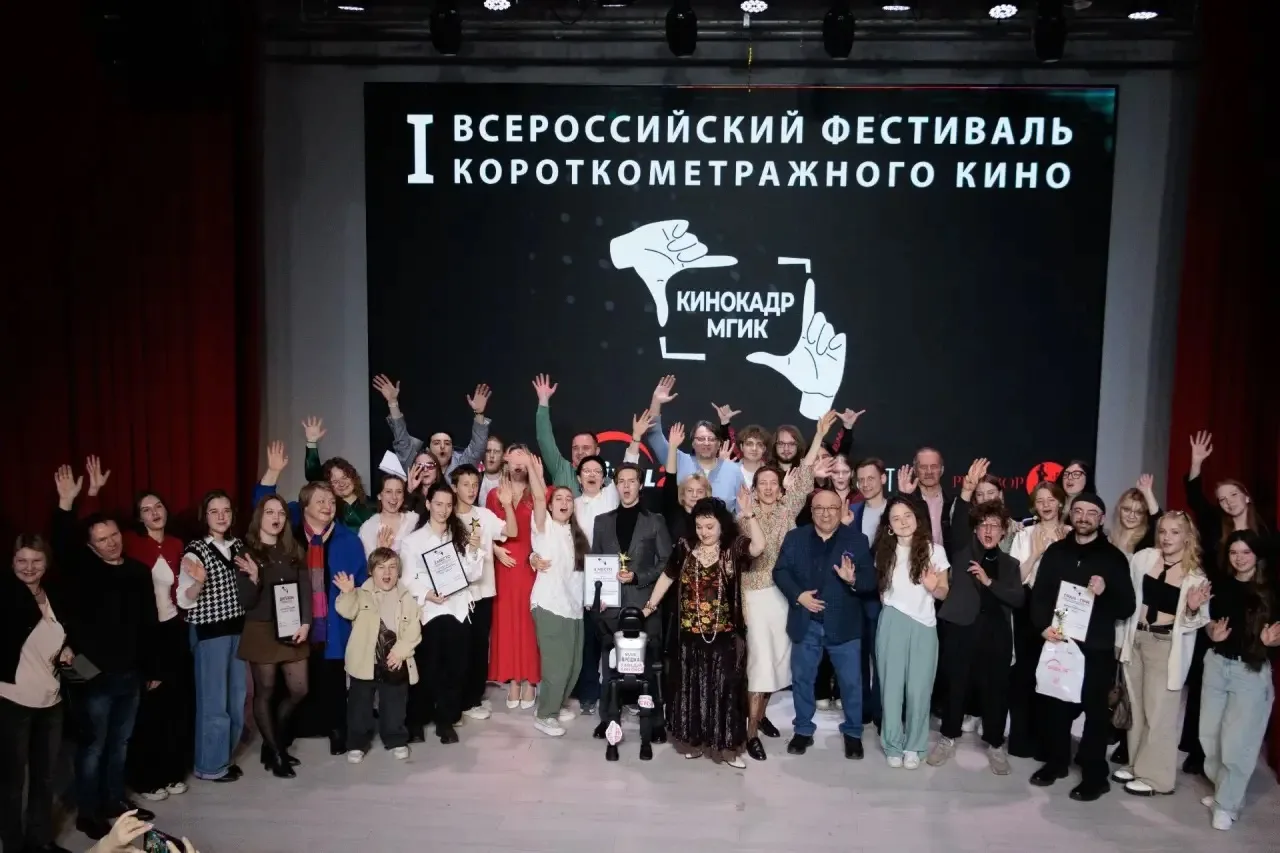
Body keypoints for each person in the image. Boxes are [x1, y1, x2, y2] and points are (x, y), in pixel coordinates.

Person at [52, 464, 160, 839]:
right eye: (102, 539)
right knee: (92, 746)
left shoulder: (138, 572)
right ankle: (88, 812)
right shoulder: (85, 570)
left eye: (114, 535)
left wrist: (152, 668)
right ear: (91, 546)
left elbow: (148, 623)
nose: (111, 542)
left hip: (130, 673)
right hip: (92, 675)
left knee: (120, 743)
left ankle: (114, 801)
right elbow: (62, 544)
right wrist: (67, 504)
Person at [254, 440, 368, 756]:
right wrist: (272, 472)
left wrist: (354, 591)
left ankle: (336, 730)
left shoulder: (349, 540)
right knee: (292, 685)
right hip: (292, 623)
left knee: (332, 681)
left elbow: (363, 582)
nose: (328, 505)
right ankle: (282, 735)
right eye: (320, 500)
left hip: (333, 624)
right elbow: (262, 508)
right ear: (303, 507)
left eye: (331, 501)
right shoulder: (287, 535)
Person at [1029, 492, 1136, 801]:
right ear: (1071, 514)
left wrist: (1105, 591)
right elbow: (1040, 595)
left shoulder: (1113, 558)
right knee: (1056, 707)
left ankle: (1095, 775)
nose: (1084, 517)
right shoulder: (1056, 552)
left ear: (1101, 518)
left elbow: (1127, 607)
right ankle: (1057, 762)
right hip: (1061, 642)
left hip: (1096, 648)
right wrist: (1043, 626)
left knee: (1096, 714)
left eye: (1091, 512)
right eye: (1078, 511)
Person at [1181, 430, 1271, 775]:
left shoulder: (1265, 534)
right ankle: (1198, 751)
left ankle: (1232, 758)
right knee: (1205, 680)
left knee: (1244, 684)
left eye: (1233, 495)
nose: (1229, 502)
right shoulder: (1215, 525)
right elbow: (1194, 497)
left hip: (1253, 613)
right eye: (1222, 499)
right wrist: (1196, 463)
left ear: (1246, 496)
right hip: (1217, 608)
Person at [641, 498, 754, 767]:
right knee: (691, 690)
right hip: (689, 633)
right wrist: (650, 605)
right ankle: (694, 742)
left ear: (722, 525)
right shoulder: (684, 546)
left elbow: (758, 547)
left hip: (724, 634)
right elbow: (668, 576)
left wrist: (749, 516)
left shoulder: (732, 547)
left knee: (724, 691)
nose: (704, 532)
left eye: (710, 526)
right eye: (699, 526)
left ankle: (726, 748)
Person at [930, 459, 1025, 775]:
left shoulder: (1010, 564)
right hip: (961, 630)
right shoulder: (963, 551)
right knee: (955, 686)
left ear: (1003, 530)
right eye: (983, 525)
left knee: (996, 691)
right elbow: (959, 521)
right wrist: (967, 490)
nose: (988, 530)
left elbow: (1017, 598)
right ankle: (948, 738)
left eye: (995, 525)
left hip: (996, 634)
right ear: (975, 528)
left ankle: (996, 744)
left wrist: (989, 582)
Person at [774, 487, 877, 760]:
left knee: (851, 684)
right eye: (819, 508)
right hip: (806, 622)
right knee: (802, 680)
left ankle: (853, 733)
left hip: (844, 625)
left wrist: (853, 580)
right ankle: (803, 730)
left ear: (841, 510)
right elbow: (780, 571)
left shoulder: (857, 540)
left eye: (832, 508)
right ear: (811, 511)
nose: (825, 514)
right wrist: (799, 596)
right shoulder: (795, 537)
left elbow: (870, 581)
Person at [1111, 512, 1210, 796]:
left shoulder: (1195, 575)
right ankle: (1136, 765)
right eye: (1163, 531)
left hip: (1165, 645)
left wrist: (1191, 607)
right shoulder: (1144, 559)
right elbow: (1129, 601)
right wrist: (1121, 640)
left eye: (1175, 532)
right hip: (1137, 639)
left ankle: (1158, 779)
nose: (1167, 538)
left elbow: (1196, 622)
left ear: (1187, 537)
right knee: (1136, 709)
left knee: (1160, 713)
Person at [1199, 530, 1280, 831]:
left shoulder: (1271, 590)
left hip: (1250, 672)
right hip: (1217, 665)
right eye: (1234, 552)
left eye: (1246, 552)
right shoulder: (1220, 584)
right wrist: (1211, 630)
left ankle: (1227, 804)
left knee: (1238, 743)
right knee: (1209, 737)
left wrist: (1273, 642)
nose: (1239, 558)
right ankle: (1226, 790)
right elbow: (1208, 621)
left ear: (1257, 555)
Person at [119, 484, 194, 804]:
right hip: (148, 632)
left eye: (158, 506)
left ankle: (172, 771)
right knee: (150, 709)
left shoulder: (177, 544)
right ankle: (146, 778)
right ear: (139, 517)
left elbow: (184, 589)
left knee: (176, 705)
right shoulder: (131, 543)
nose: (154, 513)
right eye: (146, 510)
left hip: (175, 629)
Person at [177, 490, 257, 784]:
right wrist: (198, 583)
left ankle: (224, 757)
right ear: (205, 516)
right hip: (210, 635)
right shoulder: (195, 550)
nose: (221, 516)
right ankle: (209, 766)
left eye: (226, 510)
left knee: (237, 698)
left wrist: (255, 576)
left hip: (237, 631)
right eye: (214, 511)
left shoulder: (239, 547)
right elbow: (184, 600)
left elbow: (247, 593)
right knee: (213, 702)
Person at [589, 460, 674, 733]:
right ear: (615, 485)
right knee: (610, 666)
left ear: (640, 485)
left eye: (631, 481)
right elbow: (596, 563)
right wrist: (597, 597)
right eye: (621, 481)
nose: (626, 486)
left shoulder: (655, 521)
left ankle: (656, 721)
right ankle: (608, 719)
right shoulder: (602, 522)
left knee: (649, 667)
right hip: (611, 607)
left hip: (645, 606)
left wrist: (639, 577)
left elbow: (667, 562)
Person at [1, 534, 72, 853]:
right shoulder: (6, 596)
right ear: (12, 562)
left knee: (45, 778)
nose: (29, 567)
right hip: (12, 701)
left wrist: (68, 651)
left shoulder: (54, 595)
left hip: (51, 700)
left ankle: (39, 840)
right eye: (22, 561)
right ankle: (13, 845)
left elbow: (60, 637)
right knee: (12, 781)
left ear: (47, 563)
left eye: (36, 561)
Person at [399, 483, 484, 744]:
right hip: (429, 612)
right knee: (427, 669)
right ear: (428, 504)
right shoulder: (413, 541)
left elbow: (473, 575)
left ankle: (446, 720)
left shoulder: (459, 536)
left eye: (448, 505)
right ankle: (416, 720)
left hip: (457, 609)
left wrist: (473, 550)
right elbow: (407, 579)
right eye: (438, 504)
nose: (443, 510)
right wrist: (427, 593)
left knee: (456, 668)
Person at [870, 496, 949, 768]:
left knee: (919, 689)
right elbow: (882, 591)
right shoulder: (884, 552)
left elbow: (944, 592)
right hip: (892, 622)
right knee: (890, 689)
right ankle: (892, 744)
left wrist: (933, 587)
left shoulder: (935, 551)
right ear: (889, 525)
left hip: (924, 625)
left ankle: (914, 746)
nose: (903, 522)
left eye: (907, 516)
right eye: (896, 518)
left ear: (917, 518)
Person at [237, 494, 312, 779]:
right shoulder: (247, 552)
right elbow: (246, 601)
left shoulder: (293, 549)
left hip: (292, 626)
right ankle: (276, 752)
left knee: (299, 689)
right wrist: (254, 578)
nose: (276, 517)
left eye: (280, 513)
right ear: (260, 516)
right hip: (261, 628)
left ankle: (273, 742)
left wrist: (306, 622)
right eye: (270, 512)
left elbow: (305, 588)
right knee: (266, 692)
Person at [334, 548, 422, 763]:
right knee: (359, 706)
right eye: (381, 567)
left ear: (398, 571)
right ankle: (357, 743)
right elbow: (346, 610)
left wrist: (400, 652)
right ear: (371, 571)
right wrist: (347, 593)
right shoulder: (360, 593)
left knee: (395, 704)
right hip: (364, 660)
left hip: (394, 660)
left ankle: (396, 739)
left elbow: (414, 628)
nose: (387, 572)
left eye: (392, 567)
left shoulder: (406, 597)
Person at [1006, 480, 1068, 759]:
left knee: (1054, 674)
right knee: (1024, 675)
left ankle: (1049, 744)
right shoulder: (1024, 534)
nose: (1046, 505)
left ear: (1060, 502)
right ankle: (1021, 740)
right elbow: (1016, 578)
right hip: (1027, 606)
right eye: (1040, 500)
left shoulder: (1070, 534)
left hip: (1060, 609)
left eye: (1050, 499)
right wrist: (1036, 553)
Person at [527, 458, 589, 736]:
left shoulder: (576, 535)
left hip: (574, 608)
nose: (564, 503)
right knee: (557, 665)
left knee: (574, 664)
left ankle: (556, 703)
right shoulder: (544, 528)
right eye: (559, 499)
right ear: (551, 506)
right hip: (549, 604)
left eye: (569, 499)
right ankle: (545, 715)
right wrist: (534, 471)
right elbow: (539, 497)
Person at [452, 463, 514, 721]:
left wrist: (508, 505)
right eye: (465, 484)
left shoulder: (484, 515)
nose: (471, 489)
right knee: (459, 648)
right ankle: (458, 700)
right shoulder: (447, 517)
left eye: (475, 485)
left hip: (484, 592)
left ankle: (473, 699)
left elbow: (511, 531)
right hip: (456, 595)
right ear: (454, 487)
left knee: (479, 647)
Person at [486, 447, 540, 709]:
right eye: (514, 457)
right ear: (506, 461)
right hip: (503, 567)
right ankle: (514, 680)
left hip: (530, 565)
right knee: (507, 624)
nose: (518, 463)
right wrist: (495, 550)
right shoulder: (493, 494)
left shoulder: (539, 493)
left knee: (529, 625)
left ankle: (531, 680)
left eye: (523, 457)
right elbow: (483, 530)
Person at [643, 375, 744, 512]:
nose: (706, 443)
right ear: (693, 443)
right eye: (701, 439)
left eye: (711, 439)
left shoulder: (733, 470)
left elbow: (741, 513)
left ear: (718, 444)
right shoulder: (678, 460)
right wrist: (656, 402)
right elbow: (654, 435)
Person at [376, 373, 493, 477]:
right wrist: (393, 403)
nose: (442, 446)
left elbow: (477, 448)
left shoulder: (461, 466)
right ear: (428, 450)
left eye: (447, 443)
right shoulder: (417, 465)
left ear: (453, 450)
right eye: (436, 443)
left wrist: (479, 413)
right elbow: (402, 440)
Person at [851, 457, 889, 727]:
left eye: (871, 479)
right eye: (861, 480)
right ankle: (862, 708)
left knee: (882, 656)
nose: (865, 484)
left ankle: (881, 710)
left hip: (883, 595)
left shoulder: (896, 511)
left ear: (883, 479)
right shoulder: (853, 511)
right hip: (855, 594)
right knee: (858, 656)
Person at [300, 417, 376, 532]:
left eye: (345, 477)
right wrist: (311, 442)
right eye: (335, 481)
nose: (341, 484)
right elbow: (312, 476)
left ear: (353, 477)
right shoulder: (330, 509)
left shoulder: (372, 505)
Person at [532, 373, 603, 494]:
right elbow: (545, 439)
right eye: (575, 448)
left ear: (597, 451)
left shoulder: (606, 482)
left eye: (586, 448)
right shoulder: (561, 469)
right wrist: (543, 401)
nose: (580, 452)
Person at [357, 473, 419, 557]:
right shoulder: (368, 528)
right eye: (388, 491)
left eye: (399, 492)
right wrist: (381, 551)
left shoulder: (414, 520)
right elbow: (369, 563)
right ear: (379, 495)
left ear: (403, 496)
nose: (394, 497)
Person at [1108, 475, 1162, 557]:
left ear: (1144, 516)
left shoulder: (1146, 538)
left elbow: (1158, 520)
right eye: (1126, 509)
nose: (1131, 516)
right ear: (1119, 509)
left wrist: (1148, 493)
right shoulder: (1110, 537)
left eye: (1138, 512)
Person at [479, 436, 505, 507]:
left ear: (503, 456)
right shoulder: (476, 479)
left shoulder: (509, 481)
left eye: (496, 452)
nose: (492, 455)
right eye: (488, 451)